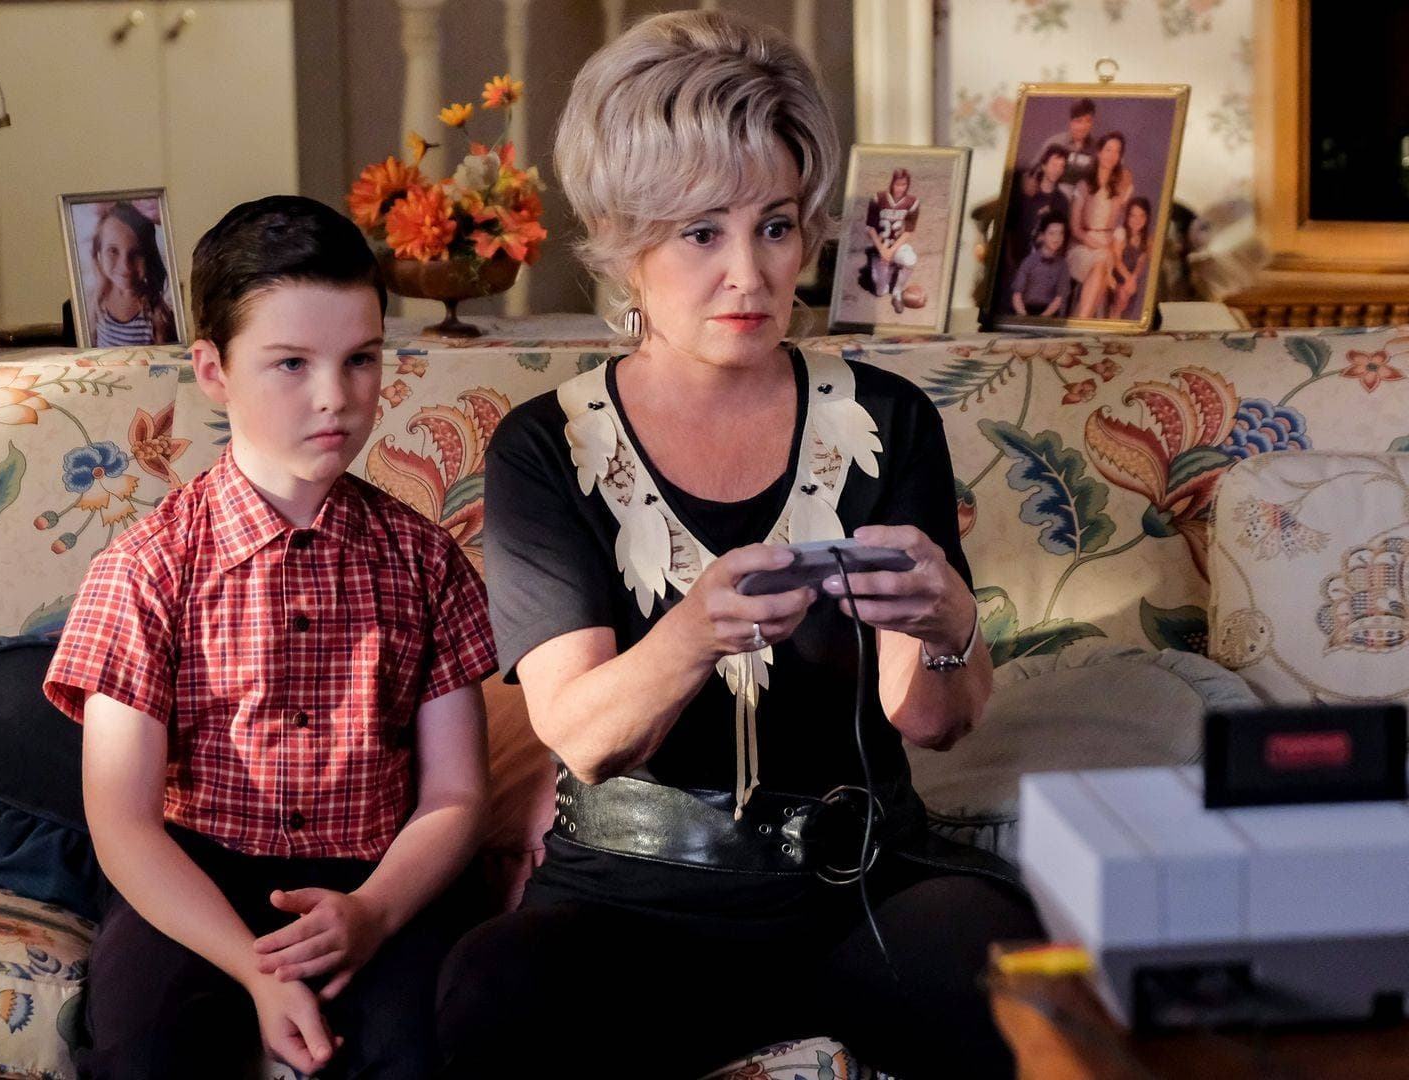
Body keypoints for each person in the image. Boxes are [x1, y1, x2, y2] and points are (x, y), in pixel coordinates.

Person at [437, 12, 1039, 1080]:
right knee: (495, 987)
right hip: (631, 904)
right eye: (701, 233)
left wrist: (953, 628)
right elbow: (583, 737)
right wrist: (691, 634)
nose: (750, 276)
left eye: (775, 226)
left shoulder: (889, 419)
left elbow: (933, 722)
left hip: (859, 890)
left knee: (999, 970)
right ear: (623, 243)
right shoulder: (547, 447)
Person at [43, 195, 496, 1079]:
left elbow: (455, 795)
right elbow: (124, 824)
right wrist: (254, 970)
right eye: (291, 363)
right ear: (213, 370)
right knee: (148, 1049)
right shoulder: (147, 567)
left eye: (360, 359)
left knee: (425, 1045)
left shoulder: (426, 561)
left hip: (378, 876)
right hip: (194, 879)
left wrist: (374, 911)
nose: (336, 397)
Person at [86, 200, 179, 347]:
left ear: (149, 257)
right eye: (113, 251)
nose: (125, 266)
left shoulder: (155, 313)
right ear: (99, 253)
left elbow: (162, 357)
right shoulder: (97, 301)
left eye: (136, 253)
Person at [1066, 131, 1134, 318]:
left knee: (1102, 265)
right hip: (1082, 247)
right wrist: (1100, 246)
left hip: (1107, 247)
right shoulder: (1084, 185)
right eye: (1108, 149)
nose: (1112, 155)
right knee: (1101, 266)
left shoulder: (1119, 186)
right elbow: (1075, 229)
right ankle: (1082, 322)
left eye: (1117, 151)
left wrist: (1108, 247)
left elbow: (1126, 218)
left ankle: (1080, 321)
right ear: (1099, 152)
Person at [1005, 143, 1073, 271]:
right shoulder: (1027, 193)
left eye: (1061, 166)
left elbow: (1062, 239)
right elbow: (1012, 228)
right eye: (1054, 165)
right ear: (1044, 165)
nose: (1057, 170)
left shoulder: (1062, 201)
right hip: (1018, 258)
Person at [863, 167, 920, 314]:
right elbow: (870, 228)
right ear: (892, 183)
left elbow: (908, 231)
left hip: (897, 245)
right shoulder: (879, 198)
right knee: (881, 291)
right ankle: (882, 265)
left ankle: (897, 292)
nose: (900, 188)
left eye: (904, 184)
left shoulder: (912, 202)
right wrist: (882, 250)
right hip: (879, 246)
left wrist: (890, 252)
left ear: (908, 185)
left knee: (911, 260)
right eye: (897, 184)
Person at [1009, 211, 1071, 318]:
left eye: (1061, 233)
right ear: (1042, 236)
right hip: (1025, 310)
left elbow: (1059, 298)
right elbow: (1017, 294)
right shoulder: (1029, 262)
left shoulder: (1063, 265)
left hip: (1049, 312)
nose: (1057, 238)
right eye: (1052, 233)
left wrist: (1043, 317)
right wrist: (1023, 316)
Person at [1107, 195, 1155, 321]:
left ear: (1147, 218)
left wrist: (1133, 278)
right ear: (1127, 216)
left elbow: (1141, 262)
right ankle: (1114, 316)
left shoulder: (1148, 240)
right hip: (1115, 277)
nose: (1137, 220)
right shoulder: (1121, 232)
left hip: (1131, 281)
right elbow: (1117, 261)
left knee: (1128, 292)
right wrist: (1129, 279)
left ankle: (1119, 318)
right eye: (1133, 215)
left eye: (1141, 216)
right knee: (1123, 293)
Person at [1039, 97, 1099, 195]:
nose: (1083, 126)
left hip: (1083, 201)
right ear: (1070, 122)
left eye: (1088, 121)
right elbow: (1033, 173)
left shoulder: (1098, 149)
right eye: (1078, 121)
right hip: (1053, 199)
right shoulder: (1054, 142)